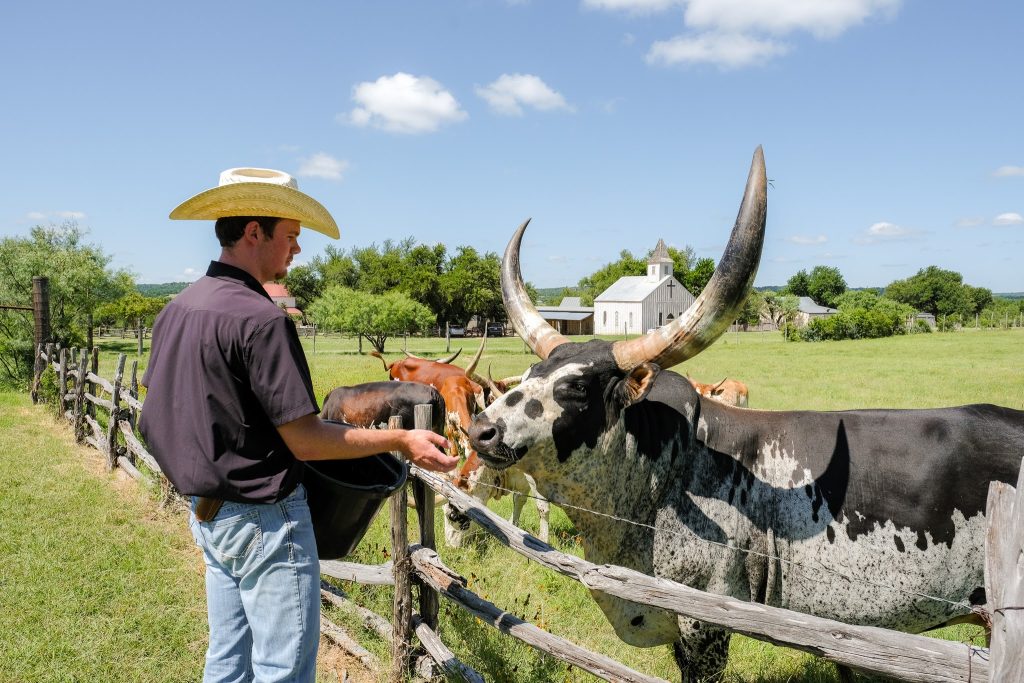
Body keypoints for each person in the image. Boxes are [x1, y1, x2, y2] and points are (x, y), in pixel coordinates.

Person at [140, 167, 458, 683]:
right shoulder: (261, 320)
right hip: (266, 520)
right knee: (282, 671)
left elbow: (154, 417)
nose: (297, 250)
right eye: (290, 236)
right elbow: (306, 440)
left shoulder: (179, 308)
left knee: (226, 662)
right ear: (253, 233)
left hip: (208, 514)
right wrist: (400, 437)